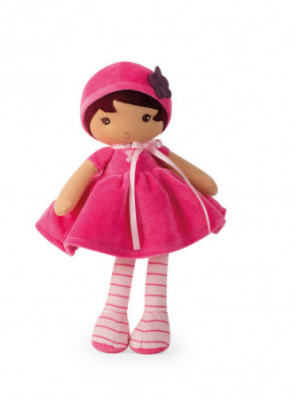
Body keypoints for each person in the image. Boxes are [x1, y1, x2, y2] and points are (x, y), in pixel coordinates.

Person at [36, 61, 226, 354]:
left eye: (146, 116)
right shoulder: (103, 156)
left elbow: (203, 181)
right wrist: (65, 202)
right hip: (117, 212)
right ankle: (113, 313)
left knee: (159, 253)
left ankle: (155, 315)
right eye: (107, 121)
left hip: (158, 211)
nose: (125, 130)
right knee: (123, 255)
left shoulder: (157, 151)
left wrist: (206, 185)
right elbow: (71, 193)